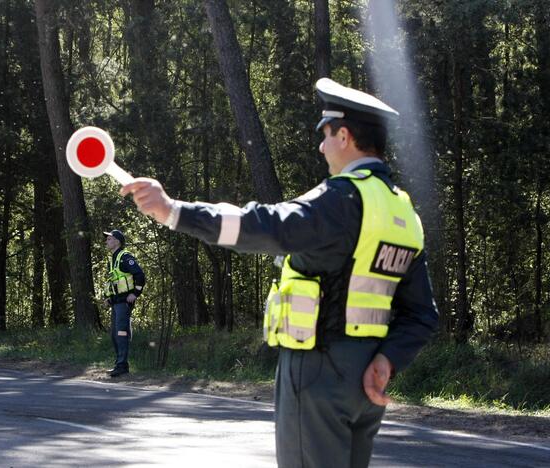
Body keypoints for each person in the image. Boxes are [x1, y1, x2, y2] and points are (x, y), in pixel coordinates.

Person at [121, 78, 438, 467]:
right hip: (367, 377)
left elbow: (265, 225)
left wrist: (174, 211)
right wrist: (388, 359)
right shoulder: (404, 212)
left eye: (324, 135)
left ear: (344, 136)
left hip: (318, 369)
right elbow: (422, 314)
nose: (321, 147)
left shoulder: (341, 199)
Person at [102, 229, 146, 377]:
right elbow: (113, 282)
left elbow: (140, 275)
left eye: (109, 239)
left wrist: (135, 293)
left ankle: (122, 366)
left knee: (121, 333)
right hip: (116, 302)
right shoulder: (112, 259)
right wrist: (107, 297)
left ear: (117, 241)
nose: (106, 241)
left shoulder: (125, 257)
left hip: (124, 303)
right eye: (107, 239)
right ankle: (119, 364)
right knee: (115, 334)